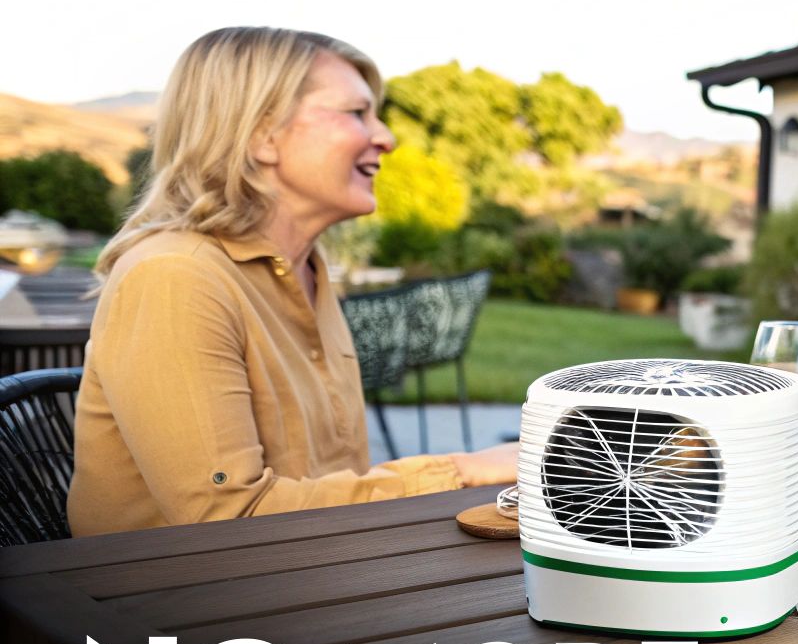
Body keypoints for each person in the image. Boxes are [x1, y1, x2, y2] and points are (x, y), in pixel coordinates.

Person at [68, 27, 517, 536]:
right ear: (261, 135)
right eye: (355, 113)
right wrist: (463, 471)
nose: (386, 138)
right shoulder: (176, 276)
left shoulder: (308, 268)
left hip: (307, 570)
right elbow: (227, 518)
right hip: (178, 600)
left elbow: (327, 481)